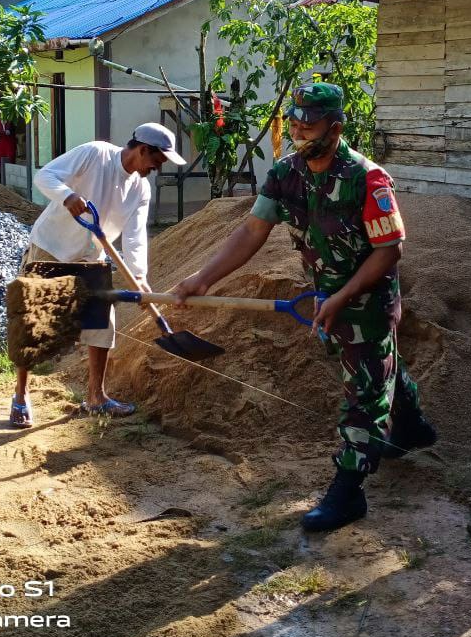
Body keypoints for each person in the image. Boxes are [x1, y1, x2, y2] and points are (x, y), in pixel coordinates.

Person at [173, 83, 437, 533]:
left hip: (367, 298)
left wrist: (341, 297)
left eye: (308, 124)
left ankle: (348, 491)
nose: (298, 129)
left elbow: (389, 251)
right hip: (323, 297)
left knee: (364, 394)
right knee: (370, 370)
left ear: (335, 128)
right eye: (294, 121)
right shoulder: (285, 173)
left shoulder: (367, 179)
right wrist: (203, 277)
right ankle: (411, 428)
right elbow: (253, 231)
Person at [9, 123, 184, 427]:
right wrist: (66, 196)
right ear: (143, 149)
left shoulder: (141, 188)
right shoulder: (95, 154)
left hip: (92, 257)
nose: (158, 167)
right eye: (157, 160)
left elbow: (135, 236)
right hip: (51, 247)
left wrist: (139, 276)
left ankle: (96, 397)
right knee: (32, 322)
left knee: (102, 323)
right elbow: (44, 175)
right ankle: (20, 396)